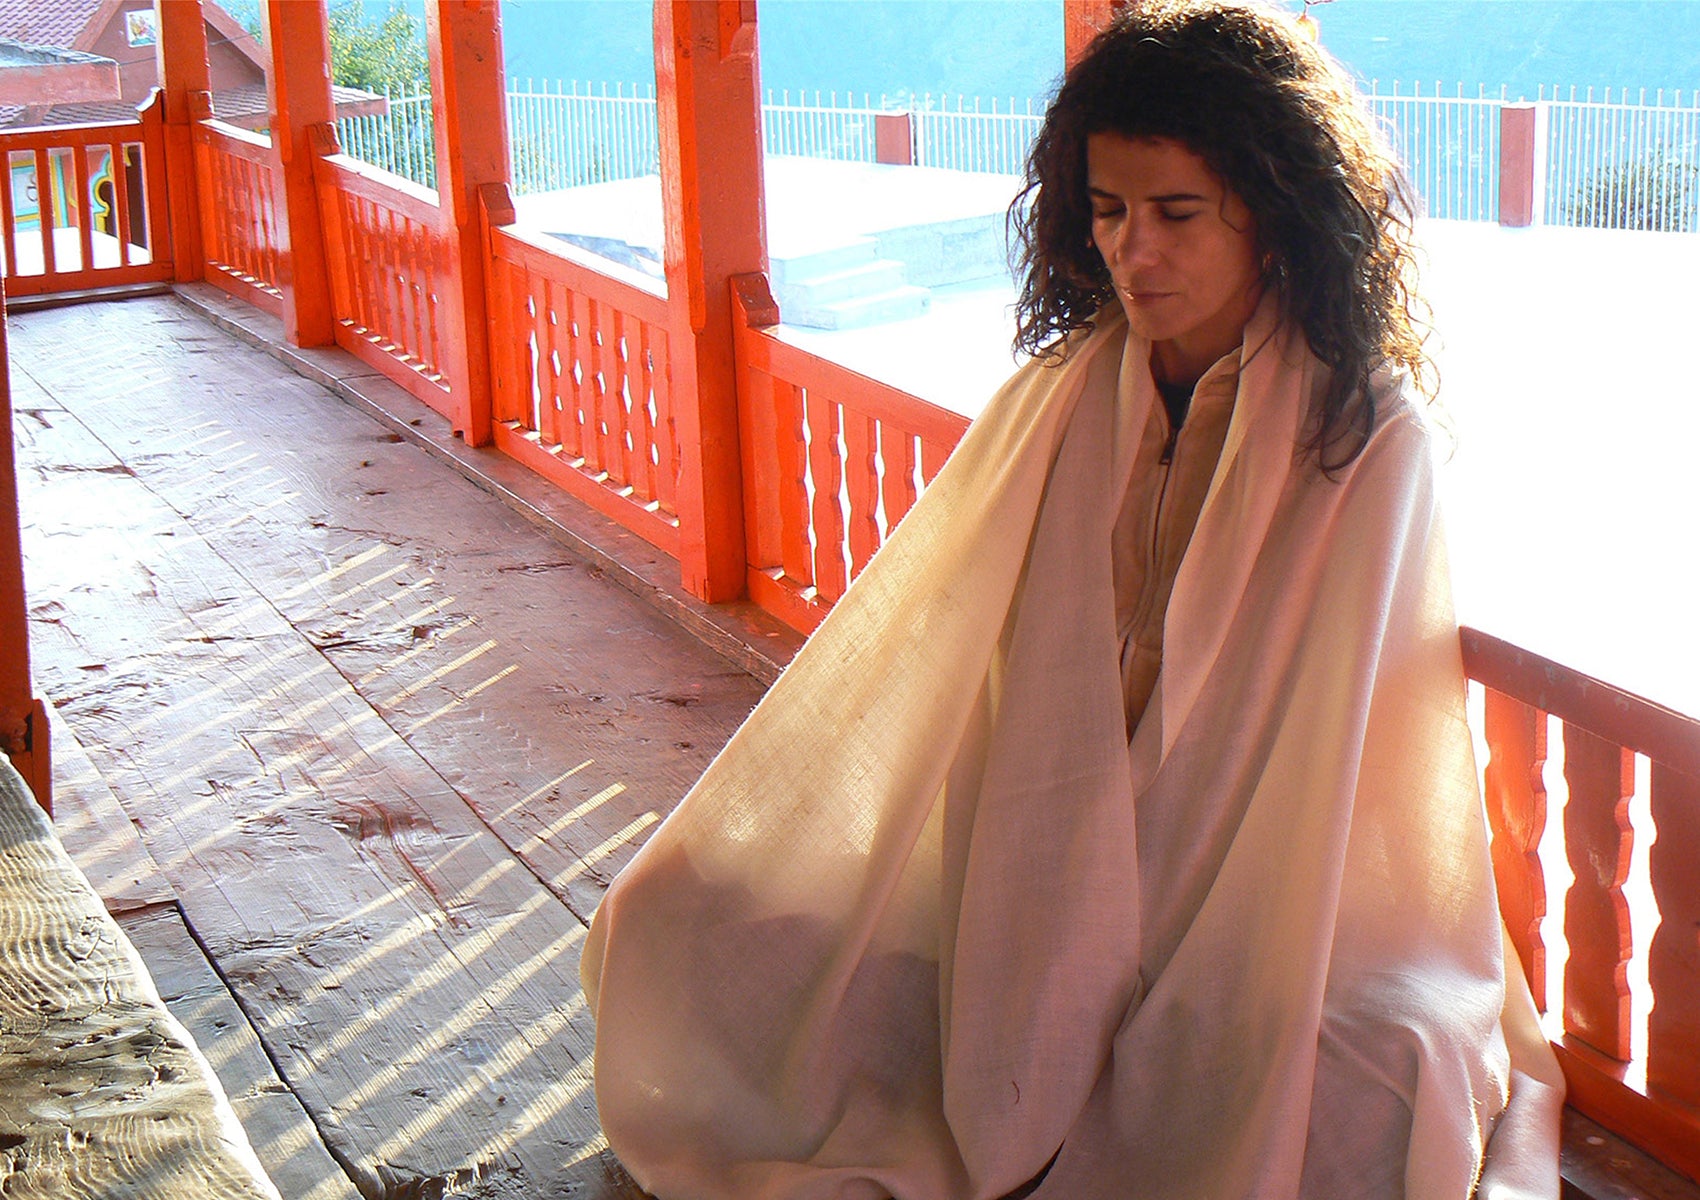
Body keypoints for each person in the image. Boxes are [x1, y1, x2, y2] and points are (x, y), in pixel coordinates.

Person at [580, 2, 1565, 1197]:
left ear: (1273, 211)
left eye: (1174, 214)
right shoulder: (1059, 393)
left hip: (1259, 878)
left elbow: (1327, 753)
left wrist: (1141, 900)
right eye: (1105, 212)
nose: (1130, 252)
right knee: (681, 914)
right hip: (1034, 827)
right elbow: (926, 643)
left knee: (1359, 1075)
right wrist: (1043, 868)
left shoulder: (1363, 441)